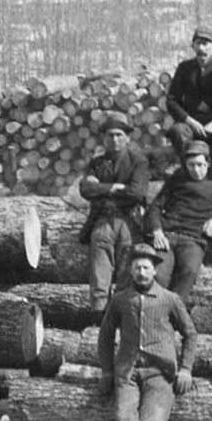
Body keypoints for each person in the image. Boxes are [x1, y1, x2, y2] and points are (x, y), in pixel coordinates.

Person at [96, 242, 197, 421]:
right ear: (130, 270)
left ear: (155, 271)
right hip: (128, 372)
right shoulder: (120, 300)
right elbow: (105, 335)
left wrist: (186, 368)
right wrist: (106, 370)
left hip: (159, 374)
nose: (141, 273)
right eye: (137, 267)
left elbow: (190, 334)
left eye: (146, 268)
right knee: (123, 416)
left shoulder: (169, 299)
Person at [76, 116, 155, 313]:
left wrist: (101, 189)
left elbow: (136, 193)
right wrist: (113, 187)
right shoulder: (97, 163)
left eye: (119, 135)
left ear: (128, 138)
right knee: (99, 275)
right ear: (104, 139)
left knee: (126, 275)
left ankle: (122, 317)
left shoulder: (138, 161)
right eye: (110, 136)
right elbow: (85, 189)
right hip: (103, 221)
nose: (115, 140)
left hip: (129, 222)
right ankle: (99, 318)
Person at [151, 140, 212, 303]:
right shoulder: (177, 178)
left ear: (208, 163)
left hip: (193, 239)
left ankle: (172, 312)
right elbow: (155, 206)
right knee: (159, 274)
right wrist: (157, 231)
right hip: (168, 236)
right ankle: (155, 311)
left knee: (189, 271)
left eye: (200, 165)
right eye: (191, 165)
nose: (196, 170)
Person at [165, 27, 212, 161]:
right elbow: (172, 100)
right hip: (191, 120)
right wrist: (188, 120)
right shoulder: (185, 68)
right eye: (198, 43)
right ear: (193, 46)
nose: (201, 48)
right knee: (178, 131)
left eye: (205, 44)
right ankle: (188, 165)